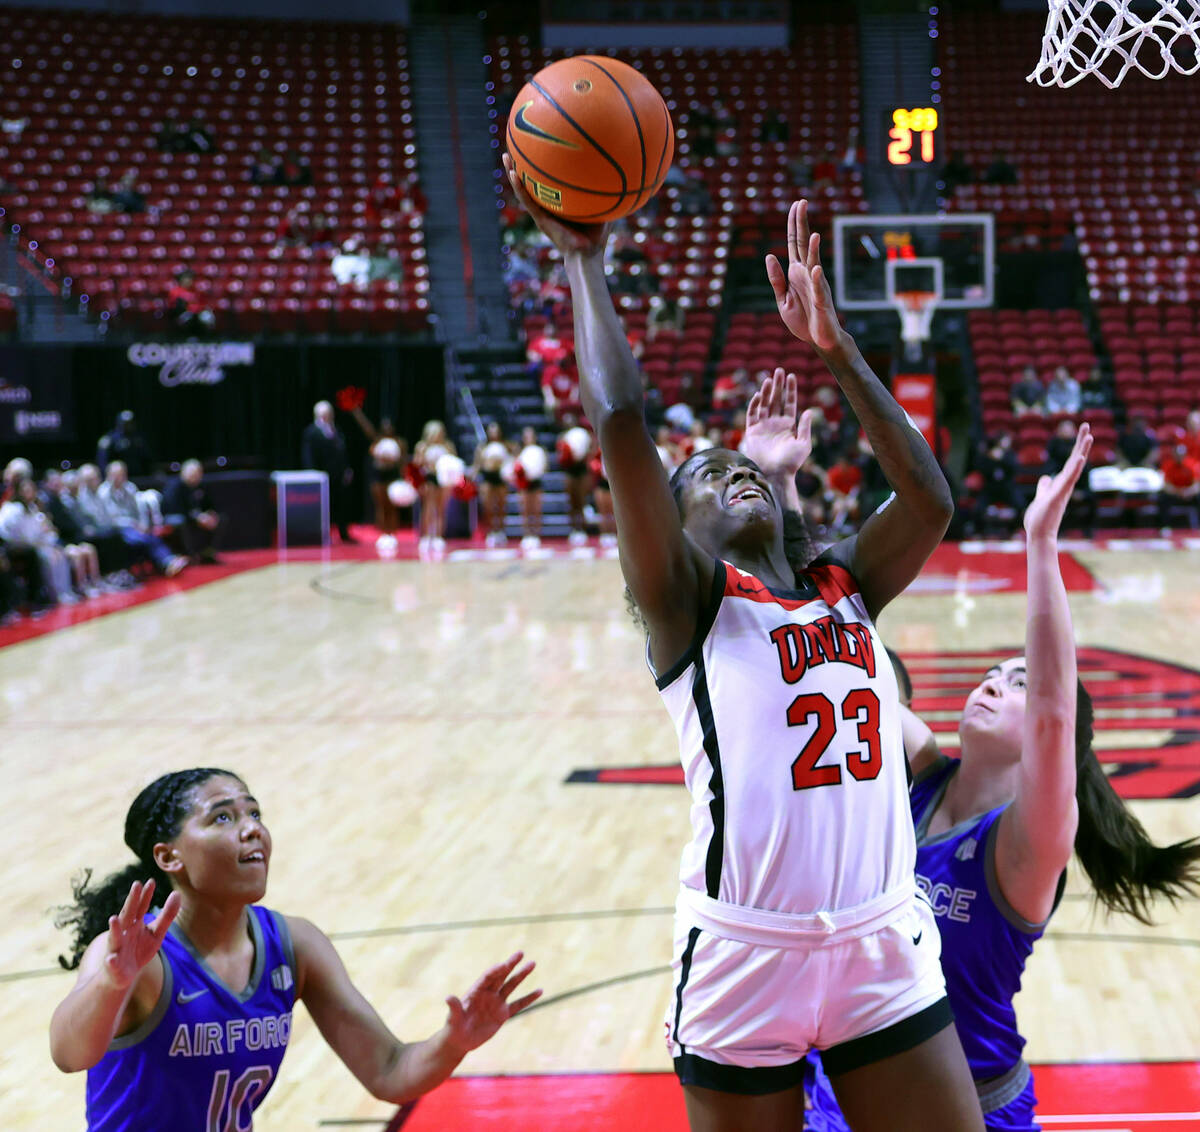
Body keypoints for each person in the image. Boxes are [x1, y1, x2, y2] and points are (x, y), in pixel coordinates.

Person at [506, 161, 978, 1132]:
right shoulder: (690, 602)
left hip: (880, 941)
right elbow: (621, 418)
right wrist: (585, 264)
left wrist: (837, 348)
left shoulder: (846, 586)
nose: (737, 477)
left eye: (744, 469)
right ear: (673, 530)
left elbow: (930, 497)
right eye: (710, 478)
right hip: (744, 952)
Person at [802, 423, 1200, 1131]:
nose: (992, 681)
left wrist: (1041, 547)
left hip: (974, 1113)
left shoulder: (1027, 849)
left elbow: (1053, 712)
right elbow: (841, 660)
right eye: (991, 673)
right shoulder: (925, 775)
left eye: (1015, 682)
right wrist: (781, 487)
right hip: (852, 1098)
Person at [50, 768, 540, 1128]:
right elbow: (69, 1054)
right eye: (222, 817)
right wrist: (112, 984)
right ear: (168, 856)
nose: (251, 828)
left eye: (254, 813)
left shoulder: (294, 945)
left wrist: (453, 1042)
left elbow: (390, 1071)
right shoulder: (136, 953)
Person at [302, 401, 356, 544]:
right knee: (324, 506)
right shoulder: (312, 432)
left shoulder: (336, 430)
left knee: (342, 504)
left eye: (329, 413)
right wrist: (313, 473)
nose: (328, 416)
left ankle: (343, 533)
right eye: (324, 414)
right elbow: (309, 455)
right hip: (322, 477)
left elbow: (342, 452)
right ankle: (323, 534)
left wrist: (347, 469)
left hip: (338, 475)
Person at [162, 460, 224, 564]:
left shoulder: (201, 486)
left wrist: (211, 514)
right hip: (176, 517)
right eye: (192, 474)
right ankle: (188, 555)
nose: (195, 477)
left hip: (195, 518)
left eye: (197, 474)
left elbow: (209, 505)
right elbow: (175, 509)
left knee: (220, 519)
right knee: (179, 521)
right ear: (183, 473)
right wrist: (197, 518)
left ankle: (207, 553)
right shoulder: (175, 487)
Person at [413, 420, 457, 553]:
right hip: (429, 478)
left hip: (443, 479)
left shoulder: (448, 445)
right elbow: (416, 464)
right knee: (428, 508)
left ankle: (439, 536)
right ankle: (426, 536)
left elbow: (454, 461)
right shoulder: (422, 446)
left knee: (441, 508)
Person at [474, 422, 513, 547]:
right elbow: (477, 464)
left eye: (496, 431)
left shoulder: (506, 445)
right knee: (488, 507)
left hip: (500, 478)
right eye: (491, 431)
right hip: (488, 478)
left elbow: (512, 459)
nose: (494, 433)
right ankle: (490, 532)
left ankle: (501, 531)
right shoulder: (482, 447)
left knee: (501, 506)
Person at [515, 426, 547, 550]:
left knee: (536, 509)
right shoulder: (521, 451)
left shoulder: (540, 450)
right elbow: (516, 465)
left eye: (530, 436)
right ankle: (527, 535)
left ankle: (536, 535)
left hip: (536, 482)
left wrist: (535, 471)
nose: (528, 438)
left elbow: (544, 466)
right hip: (524, 483)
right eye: (526, 436)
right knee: (525, 510)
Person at [97, 410, 152, 478]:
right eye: (125, 423)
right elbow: (103, 462)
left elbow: (147, 460)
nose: (128, 426)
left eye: (130, 423)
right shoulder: (110, 439)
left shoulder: (139, 439)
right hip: (116, 479)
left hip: (138, 478)